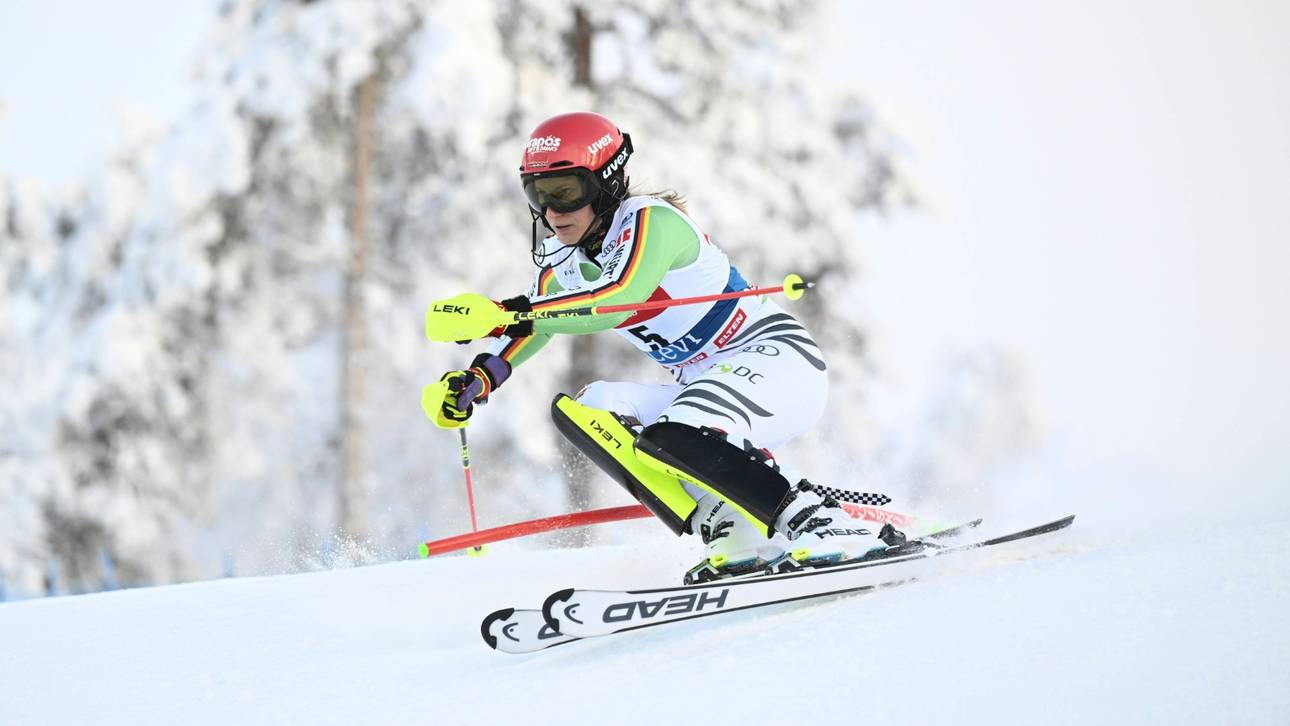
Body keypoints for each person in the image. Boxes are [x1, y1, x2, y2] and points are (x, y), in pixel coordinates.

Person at [423, 111, 900, 583]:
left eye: (565, 192)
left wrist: (509, 310)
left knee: (679, 430)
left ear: (605, 183)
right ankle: (733, 529)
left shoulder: (652, 222)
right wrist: (479, 380)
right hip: (708, 389)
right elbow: (538, 325)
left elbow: (616, 300)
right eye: (538, 194)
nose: (552, 212)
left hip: (777, 361)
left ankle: (818, 522)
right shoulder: (560, 265)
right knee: (590, 409)